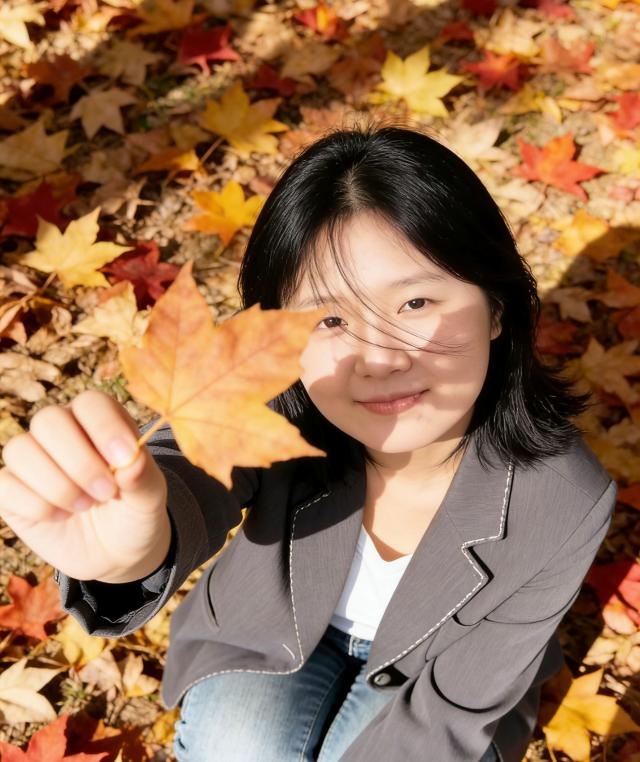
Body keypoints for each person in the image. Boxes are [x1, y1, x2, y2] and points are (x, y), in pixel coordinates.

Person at [0, 121, 616, 762]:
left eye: (415, 303)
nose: (378, 359)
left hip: (435, 682)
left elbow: (453, 712)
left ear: (497, 308)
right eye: (330, 317)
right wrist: (135, 551)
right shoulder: (271, 384)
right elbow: (180, 468)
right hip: (270, 635)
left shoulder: (564, 500)